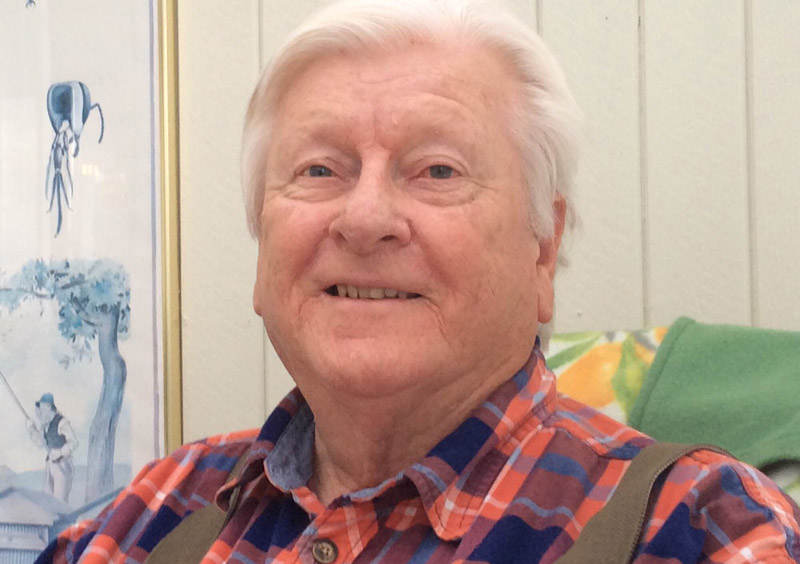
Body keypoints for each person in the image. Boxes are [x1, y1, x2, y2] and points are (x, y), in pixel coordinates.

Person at [37, 1, 800, 562]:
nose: (365, 218)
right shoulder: (150, 515)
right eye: (319, 170)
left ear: (543, 249)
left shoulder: (704, 528)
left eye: (437, 170)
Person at [26, 392, 78, 504]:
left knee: (59, 501)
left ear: (48, 406)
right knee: (47, 499)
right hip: (50, 465)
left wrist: (60, 452)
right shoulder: (45, 425)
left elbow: (73, 442)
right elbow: (41, 444)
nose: (39, 413)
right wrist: (32, 430)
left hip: (62, 465)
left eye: (41, 409)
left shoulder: (62, 422)